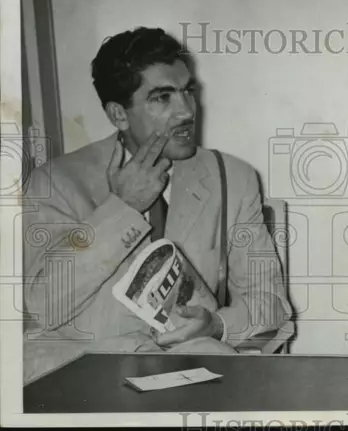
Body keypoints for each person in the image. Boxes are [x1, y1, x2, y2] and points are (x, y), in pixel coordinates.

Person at [22, 27, 293, 382]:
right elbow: (43, 305)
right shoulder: (55, 182)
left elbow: (270, 302)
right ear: (119, 114)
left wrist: (216, 325)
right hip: (90, 375)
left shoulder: (232, 178)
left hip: (192, 370)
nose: (185, 111)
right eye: (162, 98)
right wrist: (123, 208)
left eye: (188, 92)